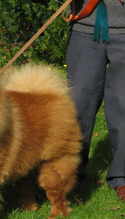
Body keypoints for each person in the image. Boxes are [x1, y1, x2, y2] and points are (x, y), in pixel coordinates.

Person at [66, 0, 125, 201]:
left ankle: (122, 177)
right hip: (84, 26)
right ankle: (70, 172)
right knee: (78, 103)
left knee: (124, 104)